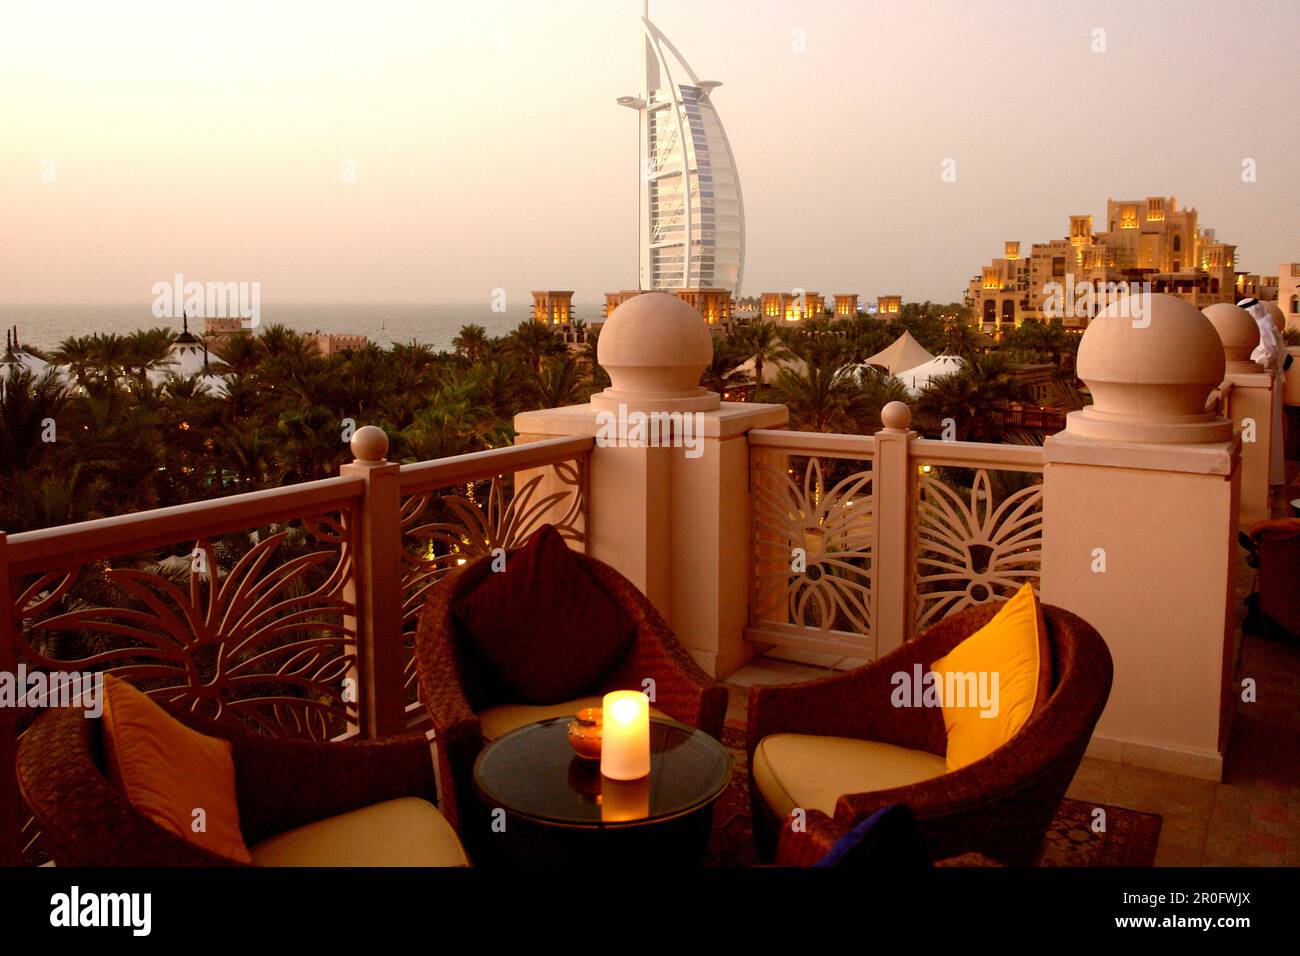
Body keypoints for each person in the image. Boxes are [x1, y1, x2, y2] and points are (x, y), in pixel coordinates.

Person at [1238, 297, 1288, 487]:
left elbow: (1267, 356)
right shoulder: (1266, 324)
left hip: (1264, 385)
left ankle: (1268, 480)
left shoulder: (1262, 326)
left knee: (1266, 432)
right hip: (1269, 385)